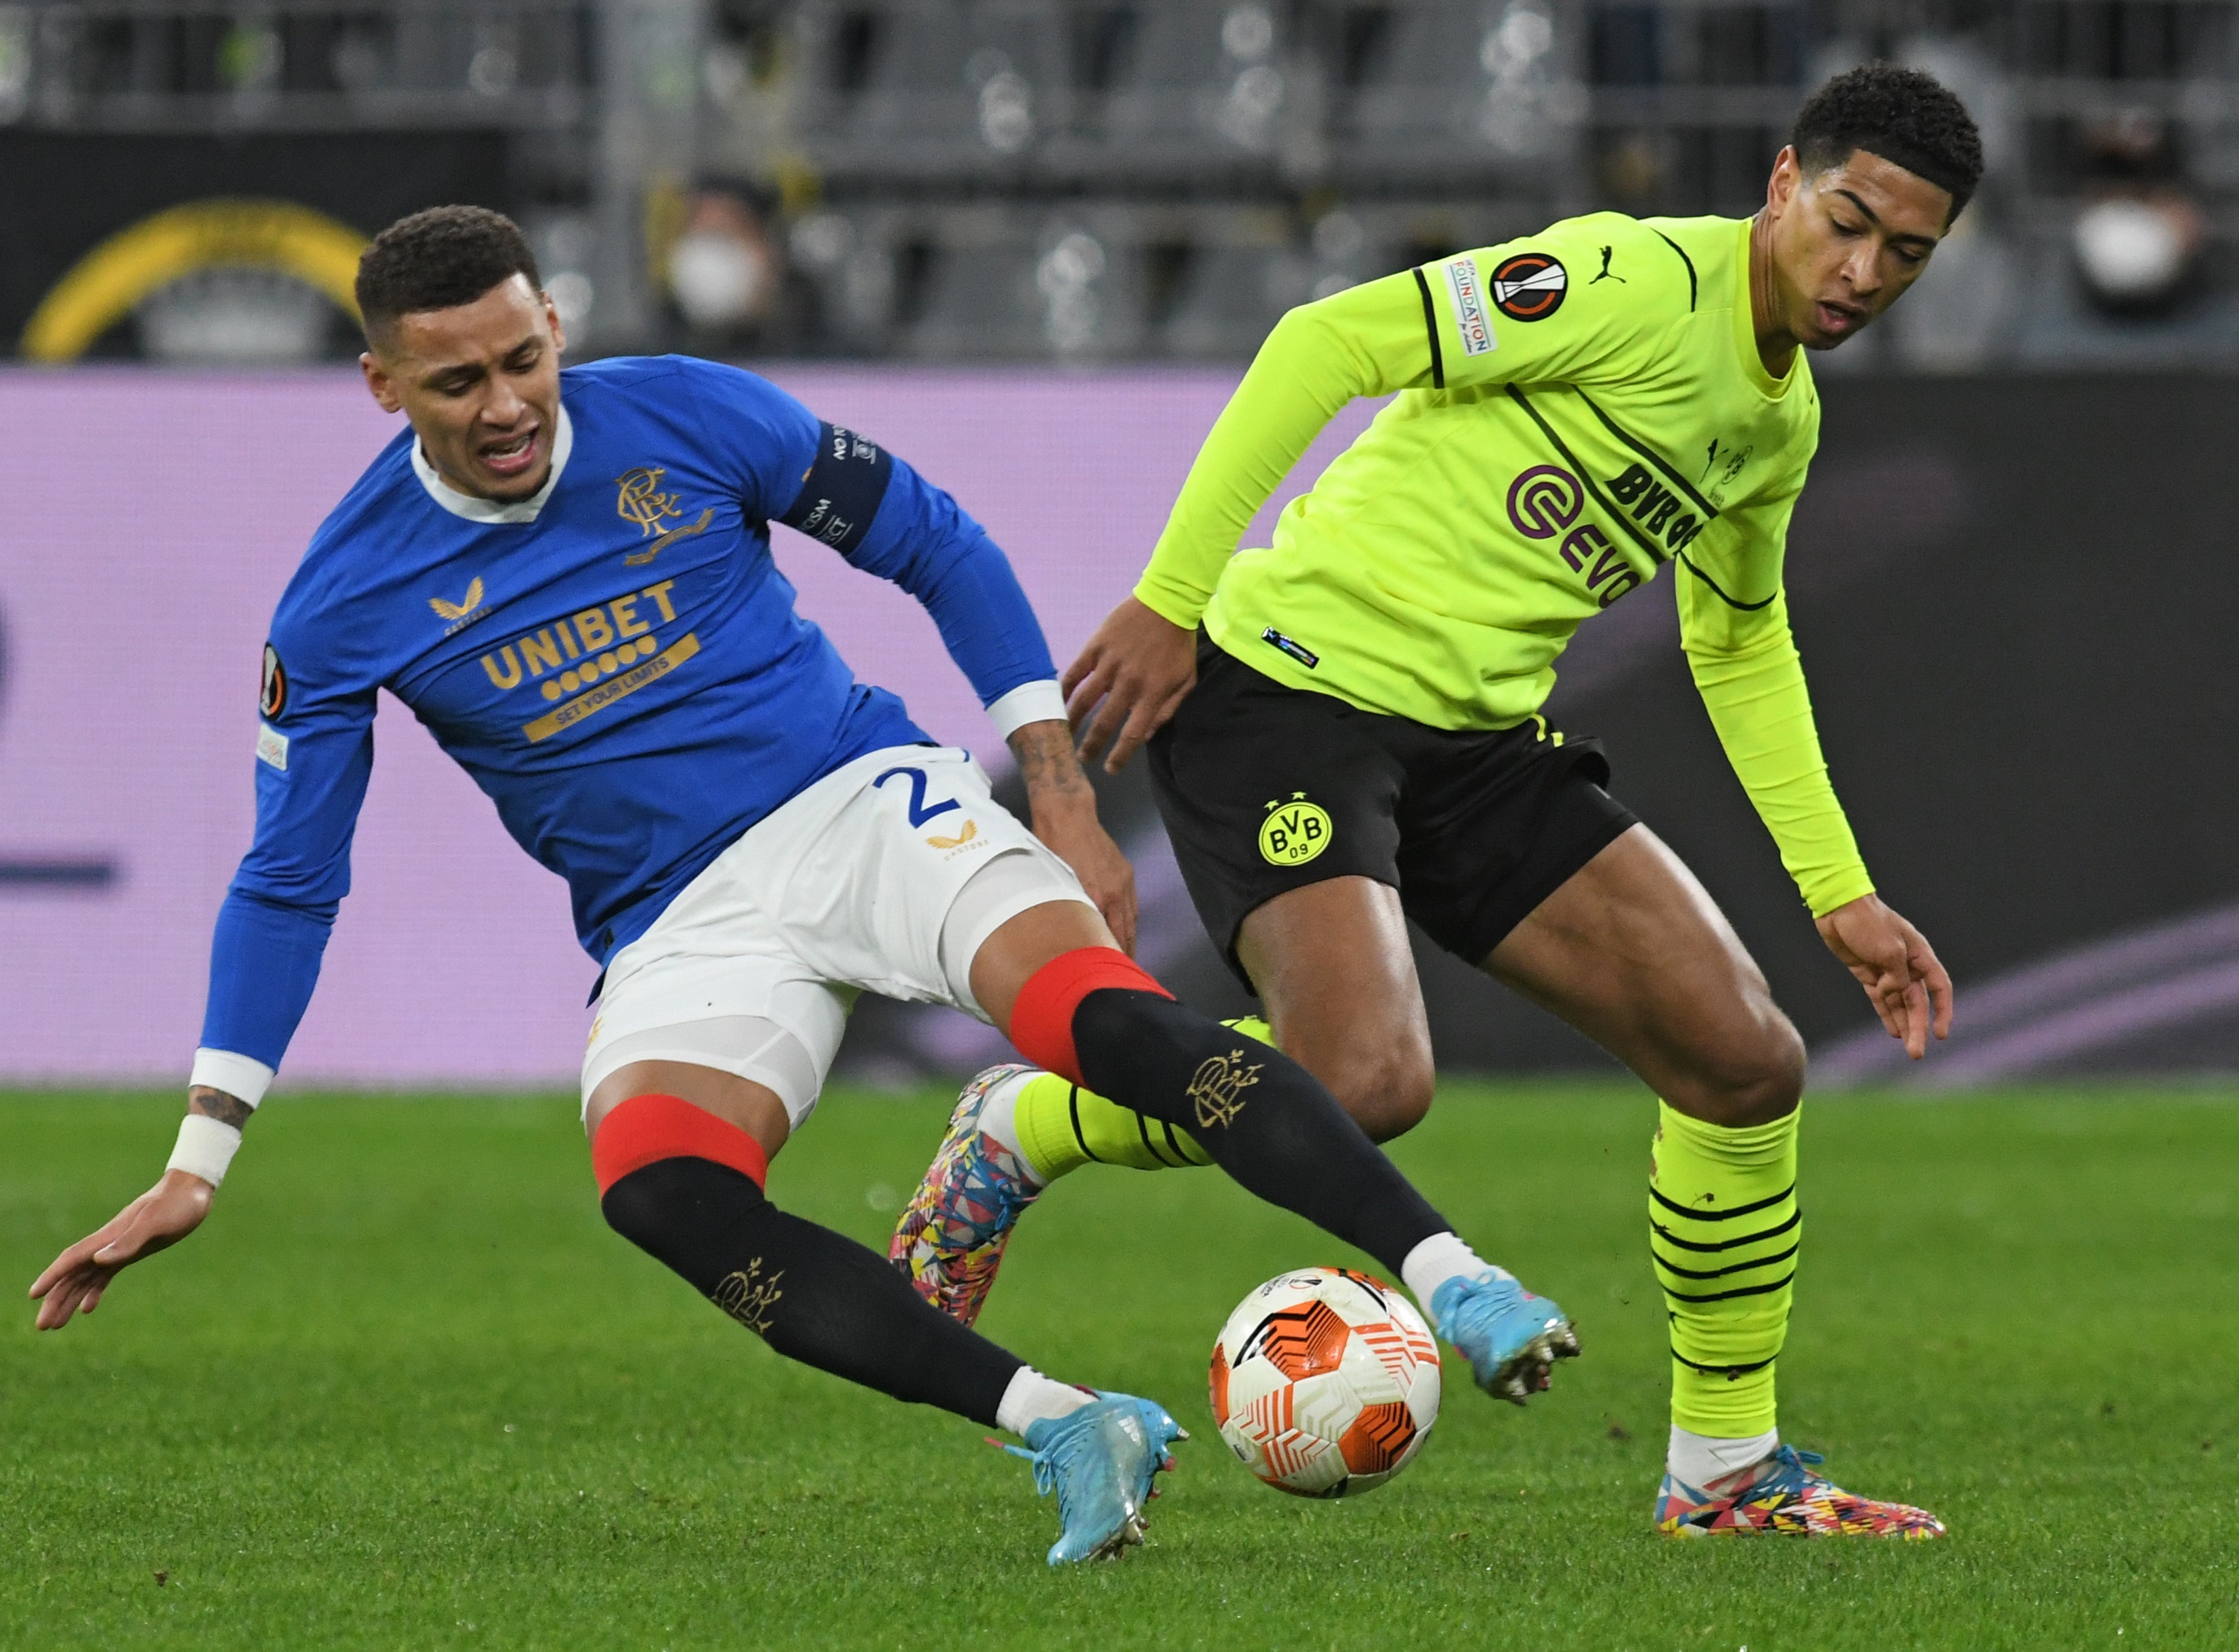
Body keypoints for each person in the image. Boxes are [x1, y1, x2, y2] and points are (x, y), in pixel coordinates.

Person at [29, 206, 1574, 1565]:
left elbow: (932, 540)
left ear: (553, 323)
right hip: (677, 922)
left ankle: (1452, 1273)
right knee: (659, 1187)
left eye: (523, 358)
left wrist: (1053, 785)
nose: (507, 406)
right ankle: (1061, 1422)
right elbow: (290, 879)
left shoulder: (683, 415)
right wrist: (199, 1155)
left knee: (1102, 1021)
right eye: (457, 381)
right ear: (380, 386)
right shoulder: (344, 598)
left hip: (857, 802)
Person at [894, 64, 1975, 1539]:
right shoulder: (1627, 277)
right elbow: (1327, 338)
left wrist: (1835, 888)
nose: (1862, 272)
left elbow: (1736, 634)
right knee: (1364, 1084)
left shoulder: (1775, 424)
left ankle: (1724, 1470)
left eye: (1905, 253)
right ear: (1783, 181)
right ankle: (1028, 1123)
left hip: (1475, 743)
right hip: (1288, 695)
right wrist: (1173, 594)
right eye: (1846, 222)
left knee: (1743, 1060)